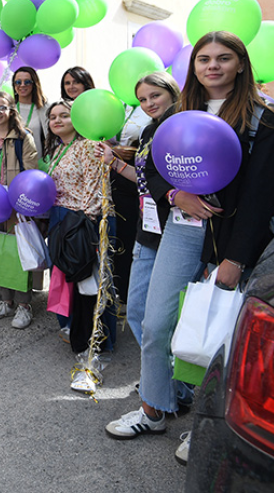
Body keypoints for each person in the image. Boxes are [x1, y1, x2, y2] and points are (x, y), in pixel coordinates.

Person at [106, 31, 274, 443]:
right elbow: (152, 168)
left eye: (223, 58)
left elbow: (263, 195)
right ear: (194, 67)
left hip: (233, 238)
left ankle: (207, 426)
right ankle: (153, 407)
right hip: (182, 230)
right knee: (155, 324)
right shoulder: (179, 111)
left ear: (240, 64)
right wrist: (175, 194)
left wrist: (235, 260)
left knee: (216, 333)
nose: (212, 66)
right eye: (204, 59)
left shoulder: (266, 117)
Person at [93, 72, 178, 348]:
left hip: (178, 228)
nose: (149, 103)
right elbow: (144, 179)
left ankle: (168, 380)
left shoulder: (185, 124)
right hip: (148, 228)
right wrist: (114, 162)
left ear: (172, 92)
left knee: (169, 314)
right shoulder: (148, 131)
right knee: (137, 309)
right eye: (143, 99)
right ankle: (158, 371)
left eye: (155, 95)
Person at [43, 99, 114, 391]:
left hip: (79, 220)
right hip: (59, 217)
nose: (57, 120)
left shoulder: (86, 146)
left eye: (64, 115)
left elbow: (94, 185)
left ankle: (95, 343)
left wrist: (87, 222)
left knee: (86, 280)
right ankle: (71, 328)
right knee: (64, 278)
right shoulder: (57, 148)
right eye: (52, 117)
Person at [0, 92, 40, 327]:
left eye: (1, 108)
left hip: (16, 203)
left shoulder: (24, 137)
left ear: (11, 110)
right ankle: (6, 301)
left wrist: (19, 199)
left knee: (18, 252)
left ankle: (24, 305)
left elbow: (31, 171)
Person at [13, 67, 48, 154]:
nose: (22, 85)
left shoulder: (44, 108)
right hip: (13, 163)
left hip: (37, 162)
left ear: (34, 85)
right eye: (18, 82)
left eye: (27, 82)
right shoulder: (9, 108)